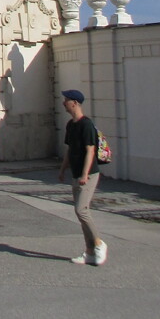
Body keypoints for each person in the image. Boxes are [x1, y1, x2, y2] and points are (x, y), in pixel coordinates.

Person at [57, 88, 107, 265]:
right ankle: (89, 252)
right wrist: (63, 169)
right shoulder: (71, 125)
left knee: (81, 210)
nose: (64, 103)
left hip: (89, 174)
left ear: (75, 103)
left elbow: (90, 150)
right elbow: (70, 149)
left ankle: (99, 243)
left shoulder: (86, 125)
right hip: (76, 173)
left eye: (66, 100)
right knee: (80, 213)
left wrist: (85, 174)